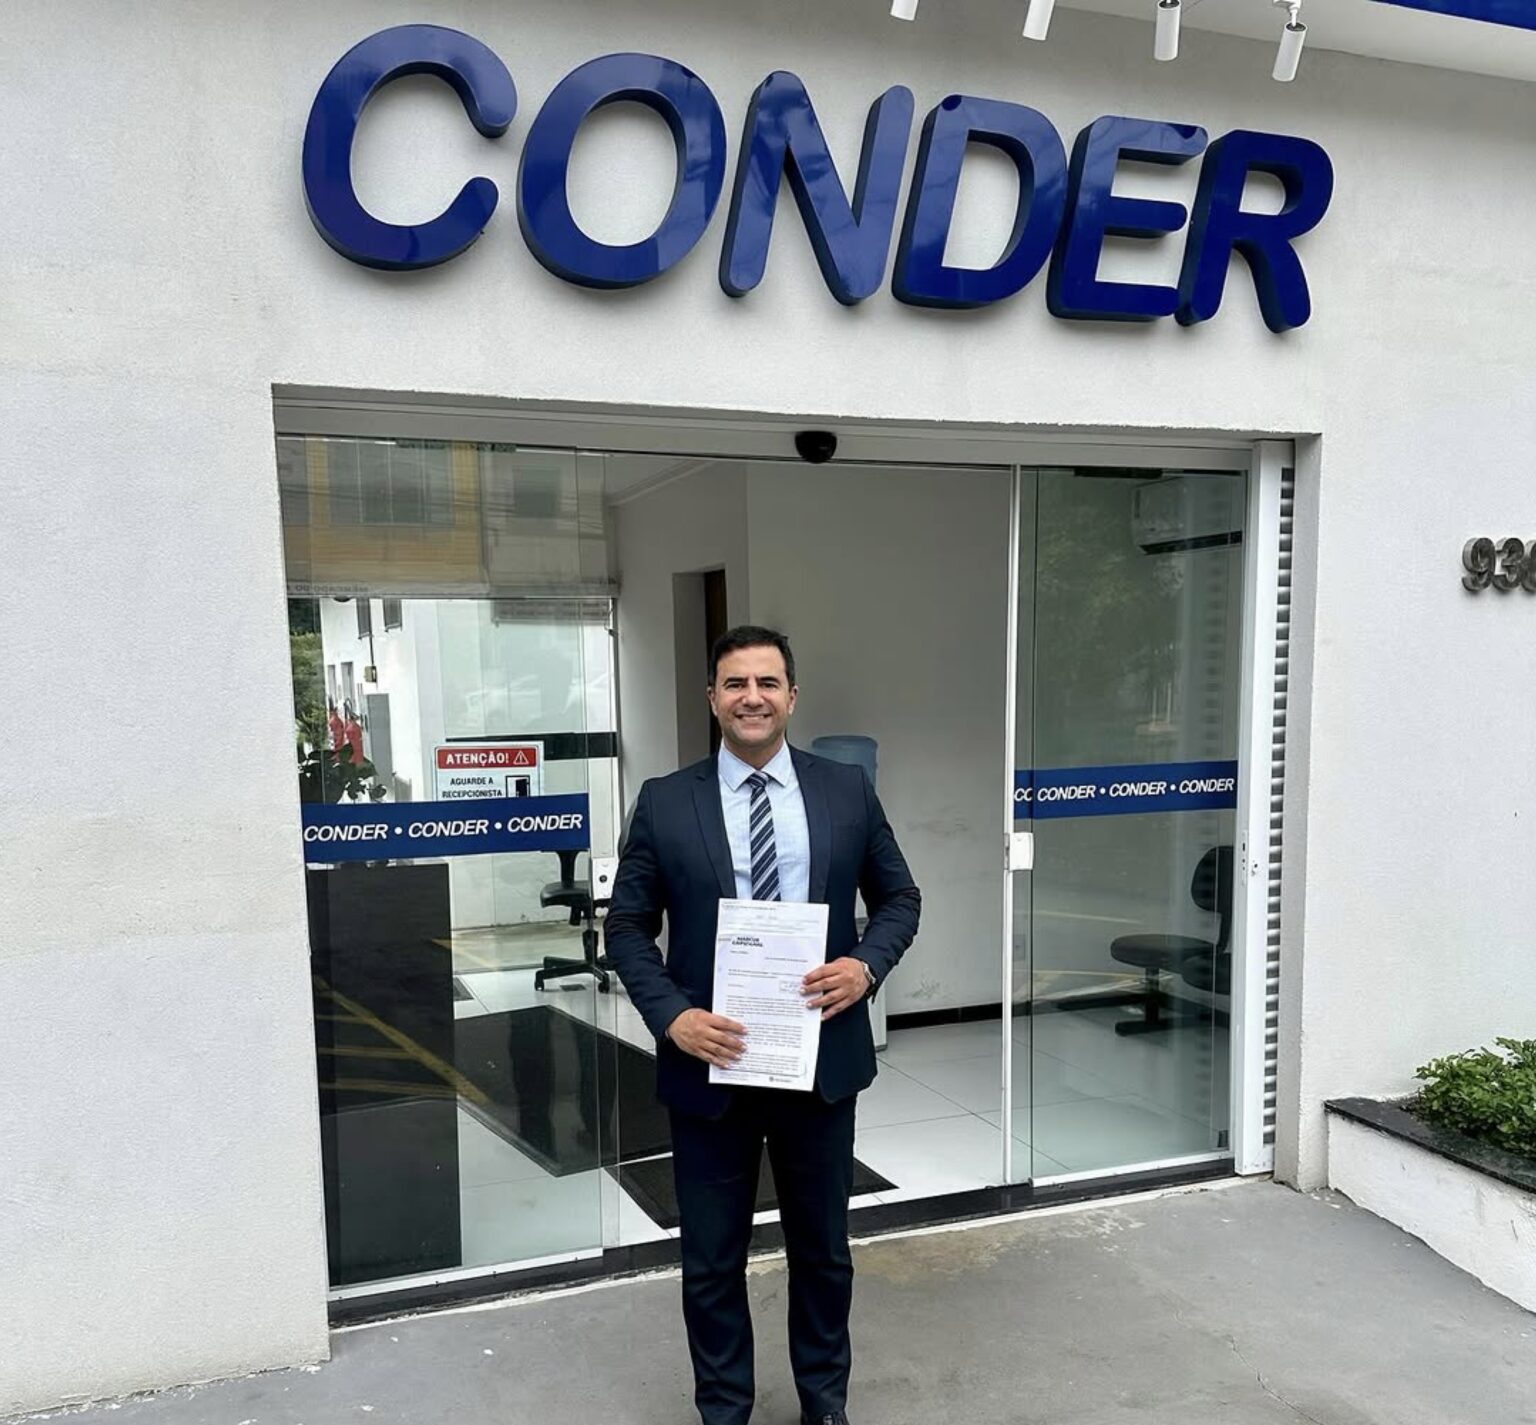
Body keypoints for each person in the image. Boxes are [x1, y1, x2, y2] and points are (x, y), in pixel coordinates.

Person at [605, 626, 921, 1425]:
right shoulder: (665, 801)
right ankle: (724, 1411)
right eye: (736, 683)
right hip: (711, 1065)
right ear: (713, 697)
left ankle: (825, 1405)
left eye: (768, 682)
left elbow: (899, 898)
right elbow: (627, 928)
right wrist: (672, 1017)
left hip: (817, 1061)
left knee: (823, 1252)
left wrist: (865, 966)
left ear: (792, 696)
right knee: (712, 1260)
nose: (752, 696)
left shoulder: (845, 790)